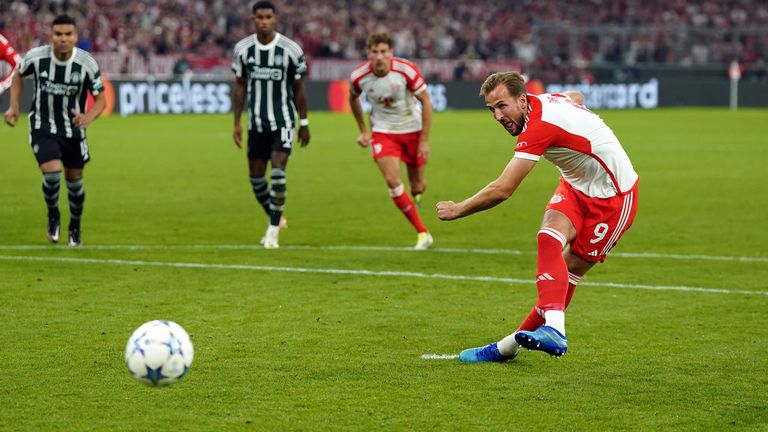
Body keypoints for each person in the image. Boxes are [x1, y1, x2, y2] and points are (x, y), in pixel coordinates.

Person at [436, 71, 639, 361]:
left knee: (566, 276)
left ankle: (507, 347)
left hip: (613, 199)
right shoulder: (542, 101)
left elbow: (503, 189)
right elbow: (575, 97)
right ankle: (548, 332)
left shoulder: (539, 126)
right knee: (547, 238)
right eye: (491, 109)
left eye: (502, 106)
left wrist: (458, 209)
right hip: (574, 186)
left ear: (522, 100)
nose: (497, 116)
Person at [4, 15, 106, 246]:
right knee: (51, 173)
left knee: (75, 182)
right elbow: (19, 74)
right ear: (51, 36)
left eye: (68, 34)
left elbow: (101, 100)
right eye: (58, 34)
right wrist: (15, 105)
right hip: (43, 124)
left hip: (74, 128)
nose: (63, 38)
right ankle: (53, 216)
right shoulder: (37, 57)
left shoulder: (86, 63)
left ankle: (75, 226)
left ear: (75, 37)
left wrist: (89, 116)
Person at [231, 0, 310, 249]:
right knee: (256, 180)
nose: (264, 21)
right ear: (254, 20)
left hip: (283, 121)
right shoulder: (243, 49)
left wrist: (304, 122)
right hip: (256, 123)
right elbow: (240, 86)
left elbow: (299, 89)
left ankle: (273, 230)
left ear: (275, 19)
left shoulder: (290, 49)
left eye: (268, 17)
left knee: (277, 173)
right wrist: (236, 123)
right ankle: (276, 217)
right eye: (260, 17)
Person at [349, 32, 434, 250]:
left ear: (391, 53)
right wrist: (363, 130)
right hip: (383, 132)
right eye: (375, 52)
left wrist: (424, 140)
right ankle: (422, 232)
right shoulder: (359, 76)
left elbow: (426, 101)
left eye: (383, 52)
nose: (379, 56)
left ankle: (415, 195)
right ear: (368, 53)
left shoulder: (406, 70)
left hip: (412, 130)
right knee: (392, 180)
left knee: (417, 186)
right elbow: (353, 98)